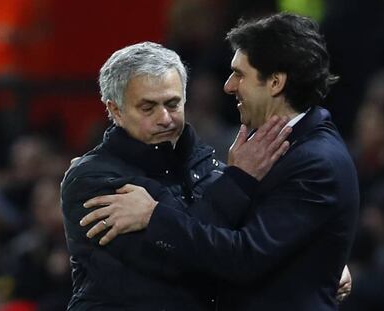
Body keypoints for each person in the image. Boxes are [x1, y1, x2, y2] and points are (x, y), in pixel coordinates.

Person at [81, 13, 358, 311]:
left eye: (240, 74)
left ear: (275, 82)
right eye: (148, 106)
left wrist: (154, 216)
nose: (228, 86)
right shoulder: (270, 146)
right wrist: (319, 260)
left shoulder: (316, 160)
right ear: (116, 110)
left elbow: (244, 256)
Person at [60, 41, 292, 310]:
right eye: (148, 108)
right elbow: (174, 262)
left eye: (173, 104)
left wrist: (319, 266)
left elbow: (250, 246)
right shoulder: (91, 180)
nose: (165, 118)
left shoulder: (211, 168)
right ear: (115, 111)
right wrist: (237, 182)